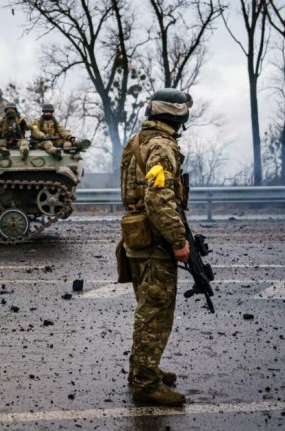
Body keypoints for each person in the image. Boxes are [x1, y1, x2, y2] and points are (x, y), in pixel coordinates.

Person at [117, 88, 193, 407]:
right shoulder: (162, 145)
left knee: (150, 308)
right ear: (176, 115)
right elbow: (158, 198)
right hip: (155, 240)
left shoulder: (139, 140)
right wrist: (178, 241)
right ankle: (145, 384)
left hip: (138, 237)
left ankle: (146, 369)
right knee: (155, 310)